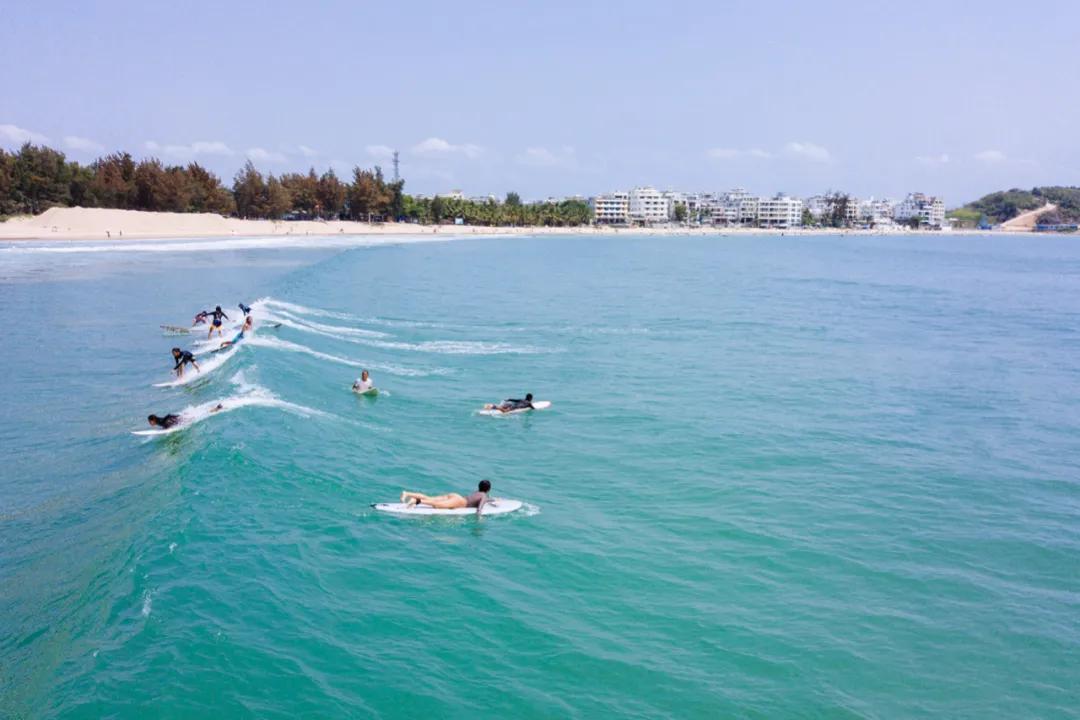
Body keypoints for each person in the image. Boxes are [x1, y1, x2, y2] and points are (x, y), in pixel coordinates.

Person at [400, 480, 493, 517]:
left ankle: (407, 493)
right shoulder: (484, 496)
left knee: (431, 498)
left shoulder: (477, 492)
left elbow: (479, 499)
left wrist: (491, 500)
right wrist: (479, 518)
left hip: (455, 496)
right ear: (488, 489)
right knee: (437, 505)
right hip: (459, 502)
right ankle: (416, 501)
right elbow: (479, 508)